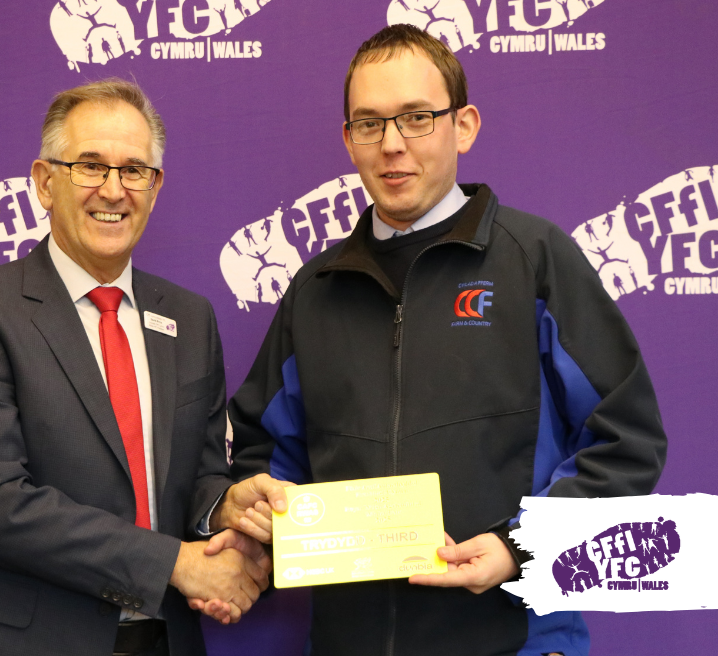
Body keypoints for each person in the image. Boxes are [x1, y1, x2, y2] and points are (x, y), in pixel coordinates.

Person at [227, 25, 667, 656]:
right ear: (349, 139)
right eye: (370, 123)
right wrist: (258, 527)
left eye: (416, 118)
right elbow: (266, 458)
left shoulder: (535, 261)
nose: (392, 144)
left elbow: (627, 442)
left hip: (515, 640)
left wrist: (520, 549)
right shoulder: (314, 290)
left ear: (463, 126)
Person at [0, 79, 286, 656]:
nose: (113, 190)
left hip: (163, 638)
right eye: (90, 166)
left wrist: (223, 509)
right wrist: (177, 564)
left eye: (134, 170)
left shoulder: (190, 319)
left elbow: (198, 476)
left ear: (154, 187)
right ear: (45, 182)